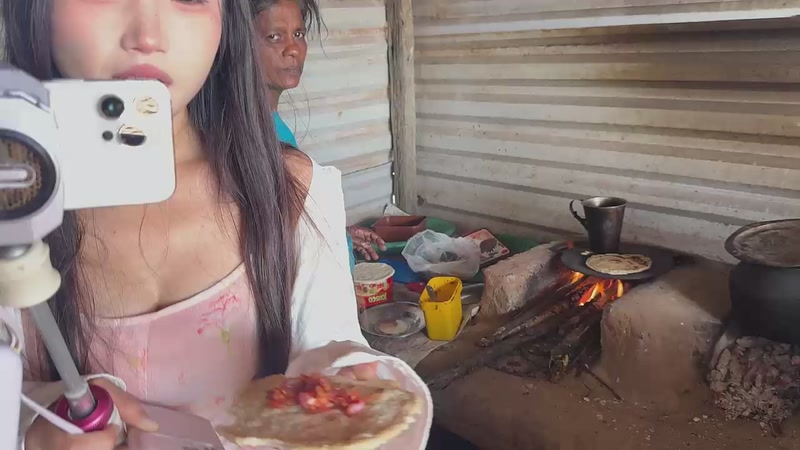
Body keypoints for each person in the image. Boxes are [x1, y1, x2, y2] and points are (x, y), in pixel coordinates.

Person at [0, 1, 431, 449]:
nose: (147, 35)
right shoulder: (10, 221)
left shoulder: (294, 192)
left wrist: (343, 382)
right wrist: (31, 431)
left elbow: (332, 349)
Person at [254, 0, 386, 265]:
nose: (293, 49)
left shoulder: (274, 126)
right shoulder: (251, 136)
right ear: (239, 44)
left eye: (298, 34)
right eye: (274, 36)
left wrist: (340, 236)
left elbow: (293, 227)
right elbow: (270, 249)